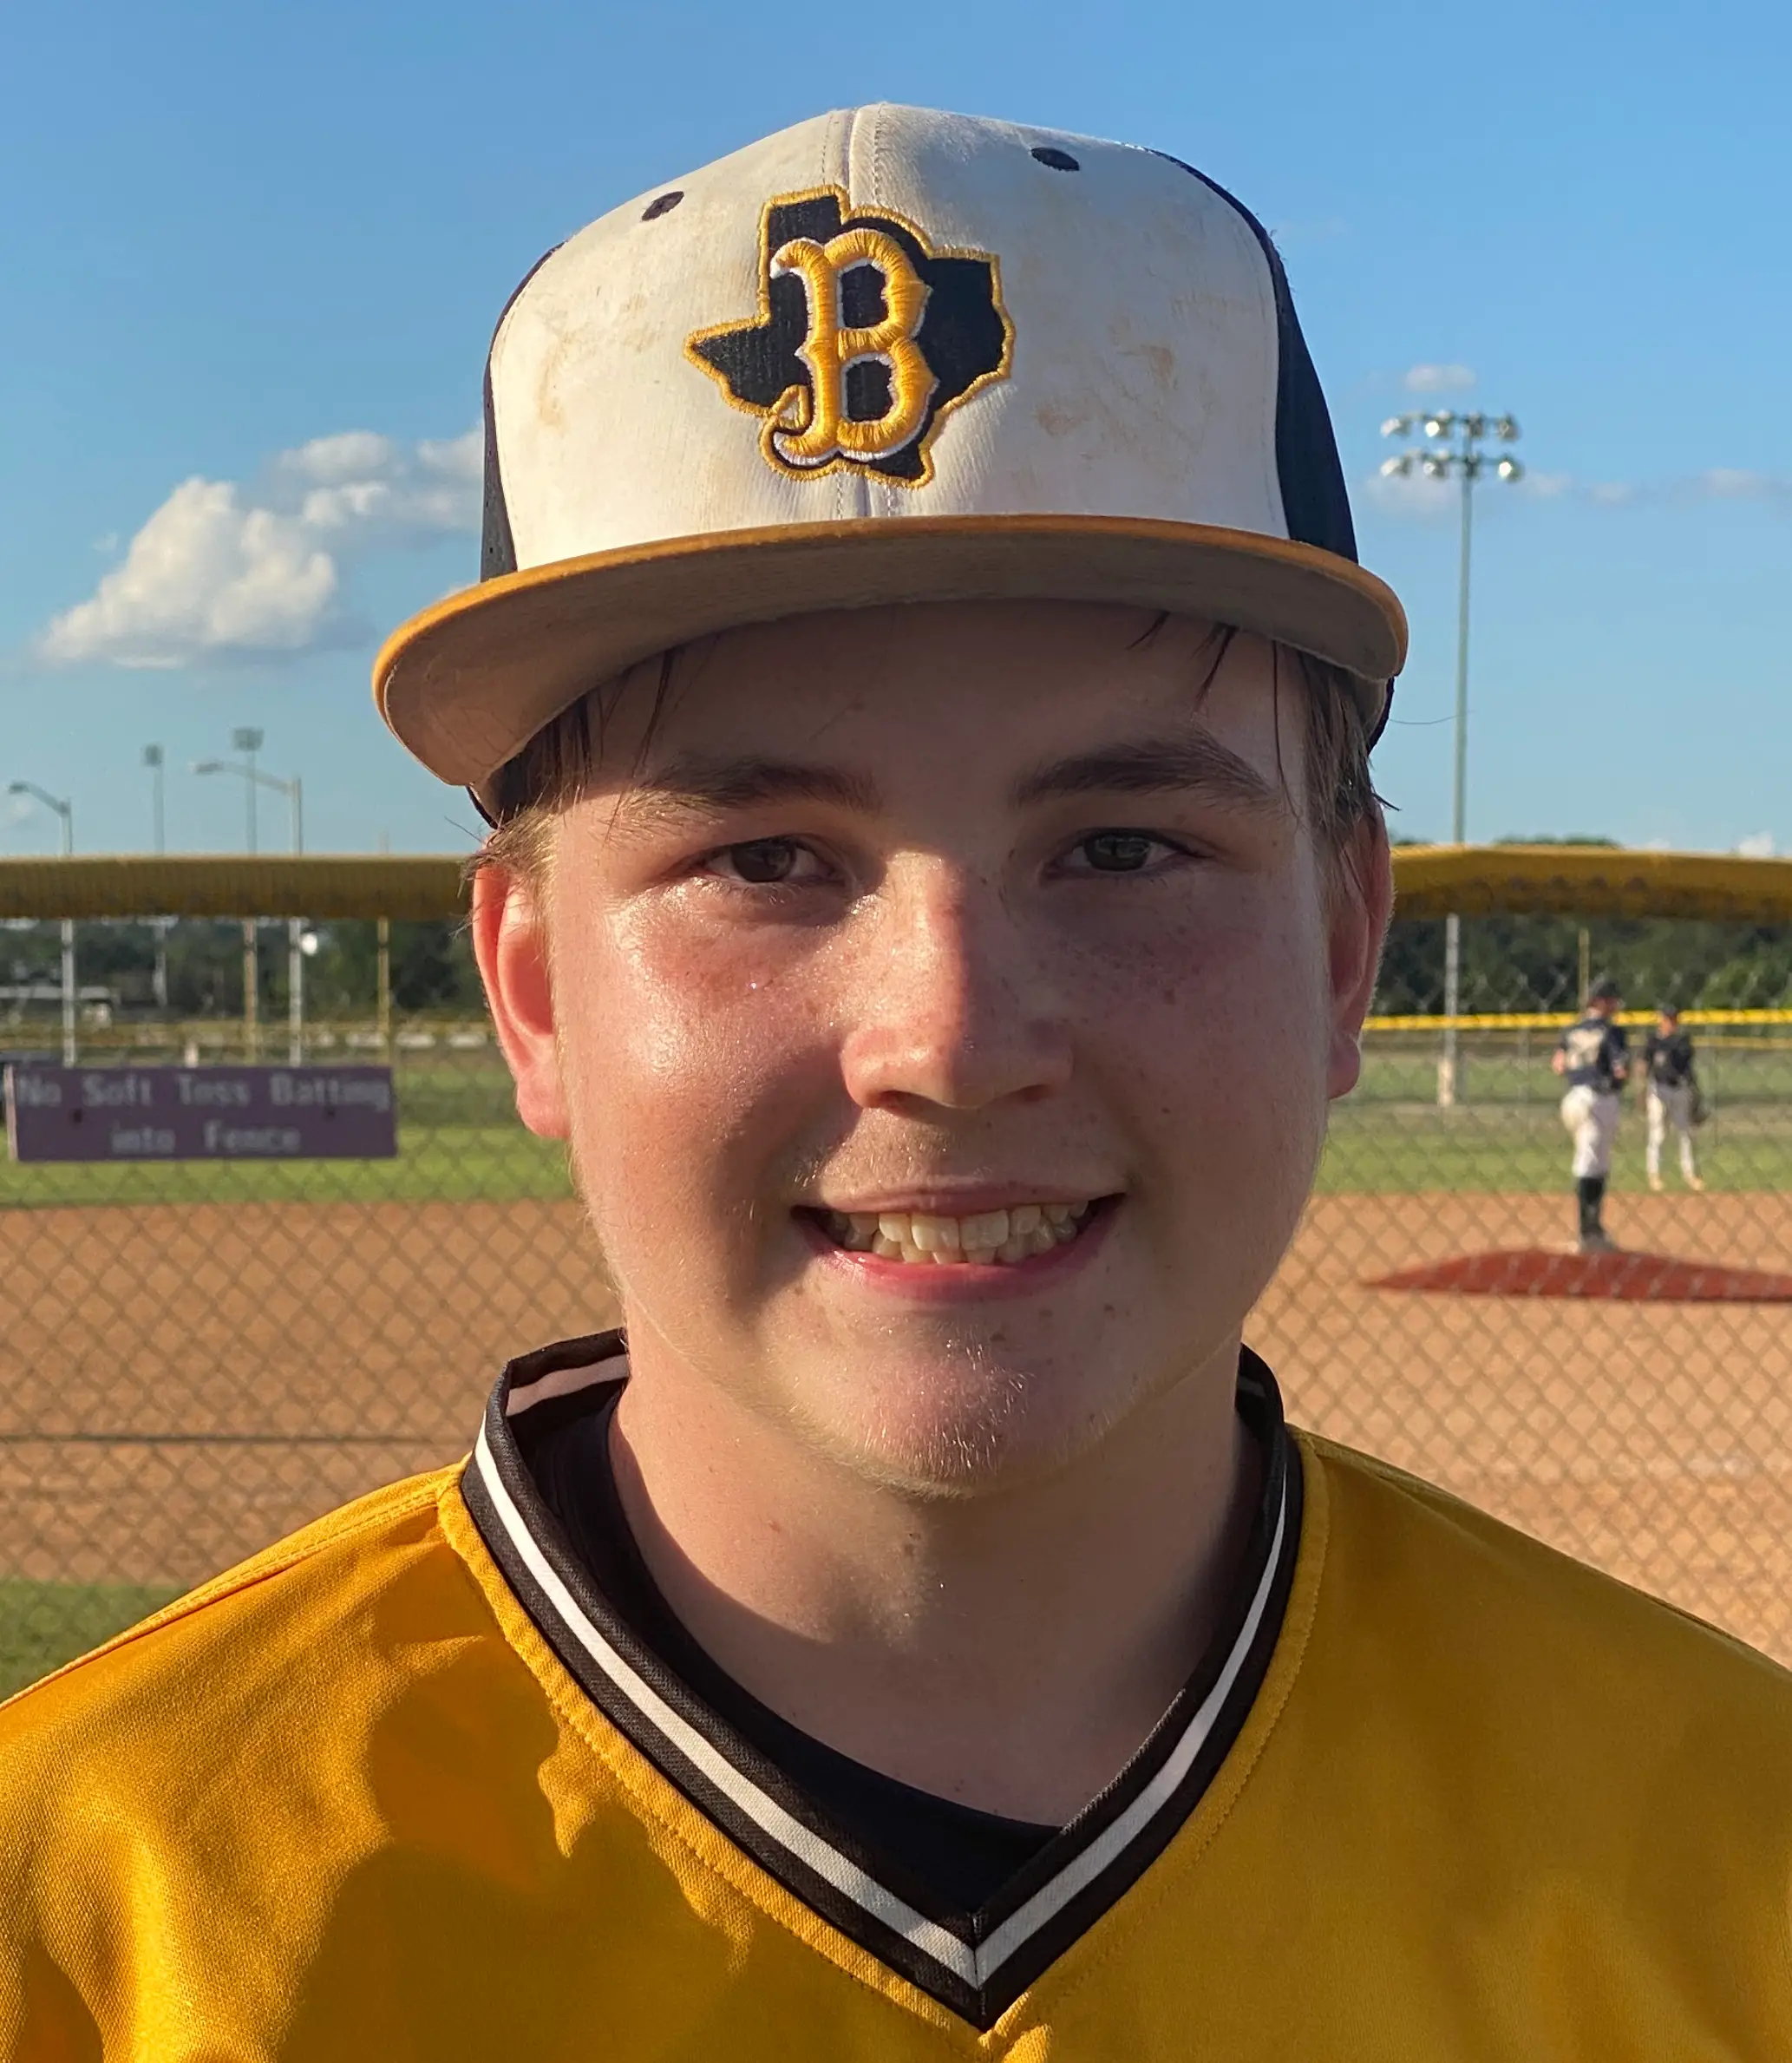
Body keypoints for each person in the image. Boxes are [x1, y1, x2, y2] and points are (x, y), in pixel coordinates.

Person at [4, 106, 1791, 2059]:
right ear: (532, 990)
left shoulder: (1732, 1856)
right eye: (763, 858)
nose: (946, 1038)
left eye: (1123, 846)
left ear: (1345, 941)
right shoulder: (89, 1917)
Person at [1552, 975, 1630, 1253]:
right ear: (1601, 1002)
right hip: (1598, 1099)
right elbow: (1621, 1070)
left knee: (1593, 1160)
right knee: (1593, 1164)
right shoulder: (1612, 1031)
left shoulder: (1571, 1029)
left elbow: (1558, 1065)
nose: (1616, 1005)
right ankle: (1588, 1232)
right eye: (1612, 1000)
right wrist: (1618, 1077)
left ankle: (1593, 1229)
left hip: (1573, 1099)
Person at [1644, 1003, 1704, 1192]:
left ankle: (1690, 1174)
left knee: (1686, 1134)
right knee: (1658, 1134)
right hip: (1658, 1090)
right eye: (1667, 1019)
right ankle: (1654, 1175)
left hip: (1680, 1089)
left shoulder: (1683, 1041)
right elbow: (1645, 1065)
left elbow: (1687, 1066)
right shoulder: (1652, 1041)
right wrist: (1641, 1091)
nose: (1671, 1022)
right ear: (1661, 1020)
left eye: (1673, 1019)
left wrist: (1696, 1095)